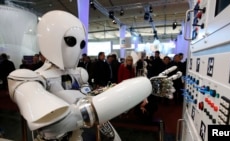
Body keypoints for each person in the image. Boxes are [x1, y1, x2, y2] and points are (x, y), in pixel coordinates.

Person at [7, 10, 152, 141]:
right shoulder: (29, 78)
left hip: (80, 133)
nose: (77, 49)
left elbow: (88, 96)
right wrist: (96, 108)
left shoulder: (79, 73)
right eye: (71, 41)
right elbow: (52, 125)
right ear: (51, 39)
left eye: (82, 44)